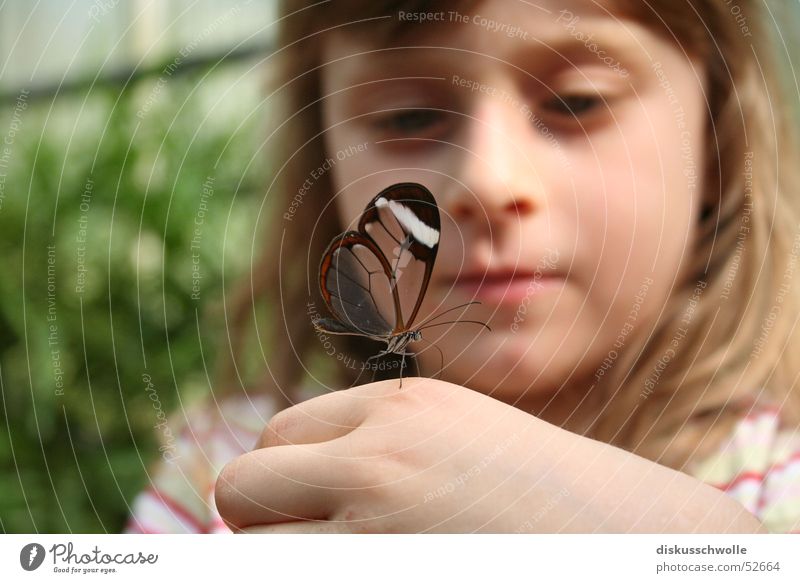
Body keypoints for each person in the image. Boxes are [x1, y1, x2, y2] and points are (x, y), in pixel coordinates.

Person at [125, 0, 800, 534]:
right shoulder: (231, 466)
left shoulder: (779, 486)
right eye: (408, 116)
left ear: (719, 141)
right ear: (324, 165)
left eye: (577, 101)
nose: (485, 179)